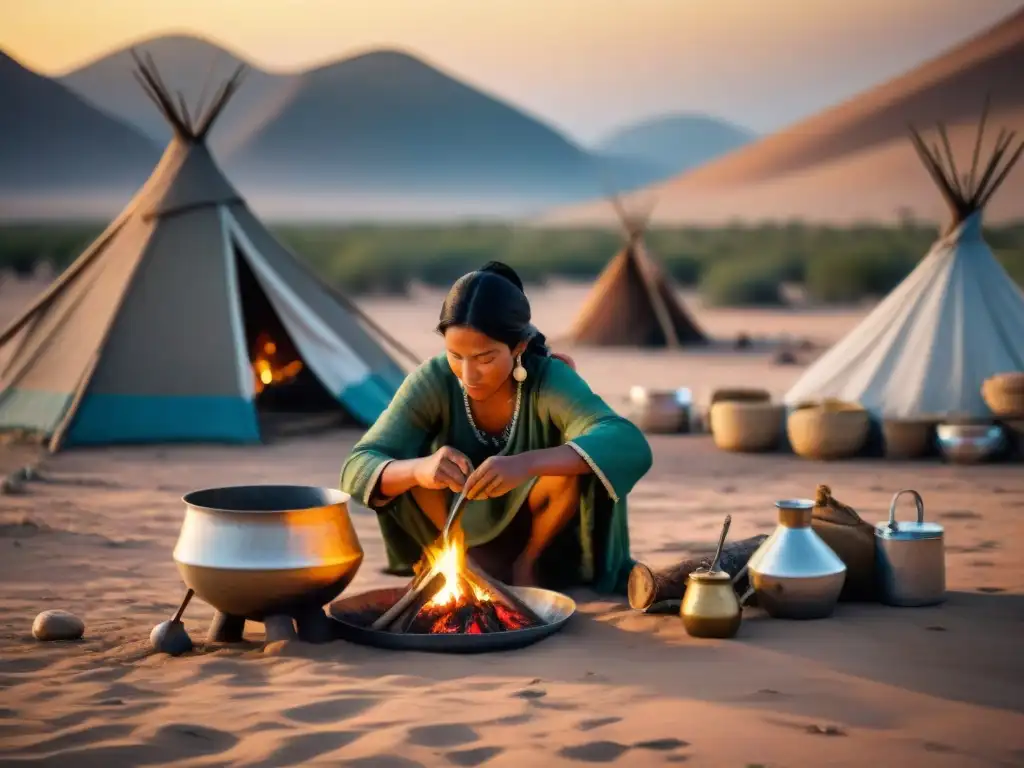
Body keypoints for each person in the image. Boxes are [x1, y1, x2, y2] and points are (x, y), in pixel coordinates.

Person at [340, 262, 652, 594]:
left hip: (537, 529)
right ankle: (460, 564)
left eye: (485, 358)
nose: (468, 374)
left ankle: (527, 567)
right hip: (452, 522)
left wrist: (527, 463)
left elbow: (627, 443)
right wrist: (420, 469)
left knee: (573, 466)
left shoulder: (547, 377)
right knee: (409, 465)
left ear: (517, 347)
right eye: (455, 355)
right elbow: (356, 466)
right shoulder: (433, 380)